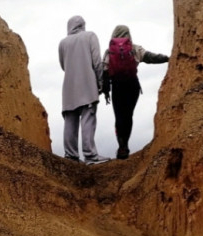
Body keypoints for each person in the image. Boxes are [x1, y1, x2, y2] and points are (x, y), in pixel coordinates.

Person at [102, 25, 169, 160]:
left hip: (117, 87)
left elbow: (105, 72)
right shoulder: (134, 48)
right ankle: (125, 145)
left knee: (119, 117)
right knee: (128, 115)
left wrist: (106, 91)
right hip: (132, 86)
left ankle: (122, 146)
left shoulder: (109, 51)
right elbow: (150, 57)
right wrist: (168, 58)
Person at [58, 15, 110, 165]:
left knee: (70, 120)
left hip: (68, 87)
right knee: (88, 118)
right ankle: (90, 156)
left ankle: (71, 156)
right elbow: (97, 62)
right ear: (82, 25)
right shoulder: (90, 36)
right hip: (87, 84)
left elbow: (63, 65)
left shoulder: (62, 43)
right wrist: (100, 82)